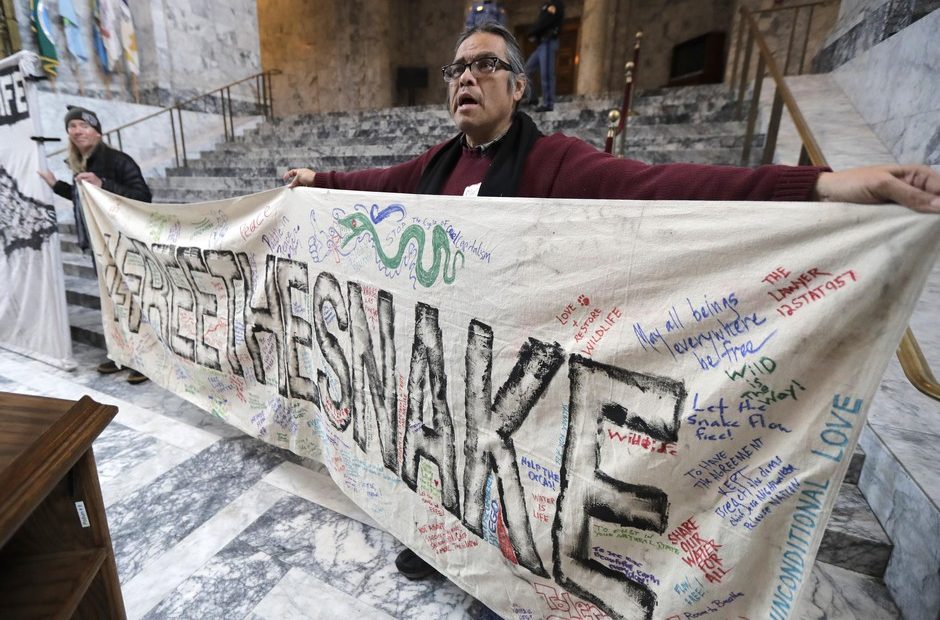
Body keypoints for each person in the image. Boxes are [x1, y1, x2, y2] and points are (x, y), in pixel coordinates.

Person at [284, 22, 939, 578]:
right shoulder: (434, 166)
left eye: (486, 65)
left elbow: (667, 185)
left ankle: (502, 576)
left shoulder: (552, 162)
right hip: (446, 364)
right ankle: (436, 540)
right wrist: (318, 180)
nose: (466, 77)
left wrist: (828, 184)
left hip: (516, 372)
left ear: (517, 87)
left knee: (509, 488)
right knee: (440, 458)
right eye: (458, 67)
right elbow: (371, 185)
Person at [38, 106, 154, 384]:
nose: (76, 131)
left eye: (83, 125)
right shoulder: (82, 163)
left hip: (122, 243)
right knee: (112, 302)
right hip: (99, 245)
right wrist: (57, 186)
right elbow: (86, 202)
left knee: (132, 300)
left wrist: (104, 183)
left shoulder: (117, 160)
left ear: (97, 131)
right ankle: (122, 354)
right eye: (71, 127)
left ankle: (146, 359)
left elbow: (143, 196)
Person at [524, 1, 565, 112]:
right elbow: (541, 22)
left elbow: (545, 22)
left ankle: (548, 103)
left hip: (548, 41)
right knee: (526, 71)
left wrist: (533, 32)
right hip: (542, 43)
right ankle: (532, 98)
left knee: (546, 74)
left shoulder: (556, 4)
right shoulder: (546, 5)